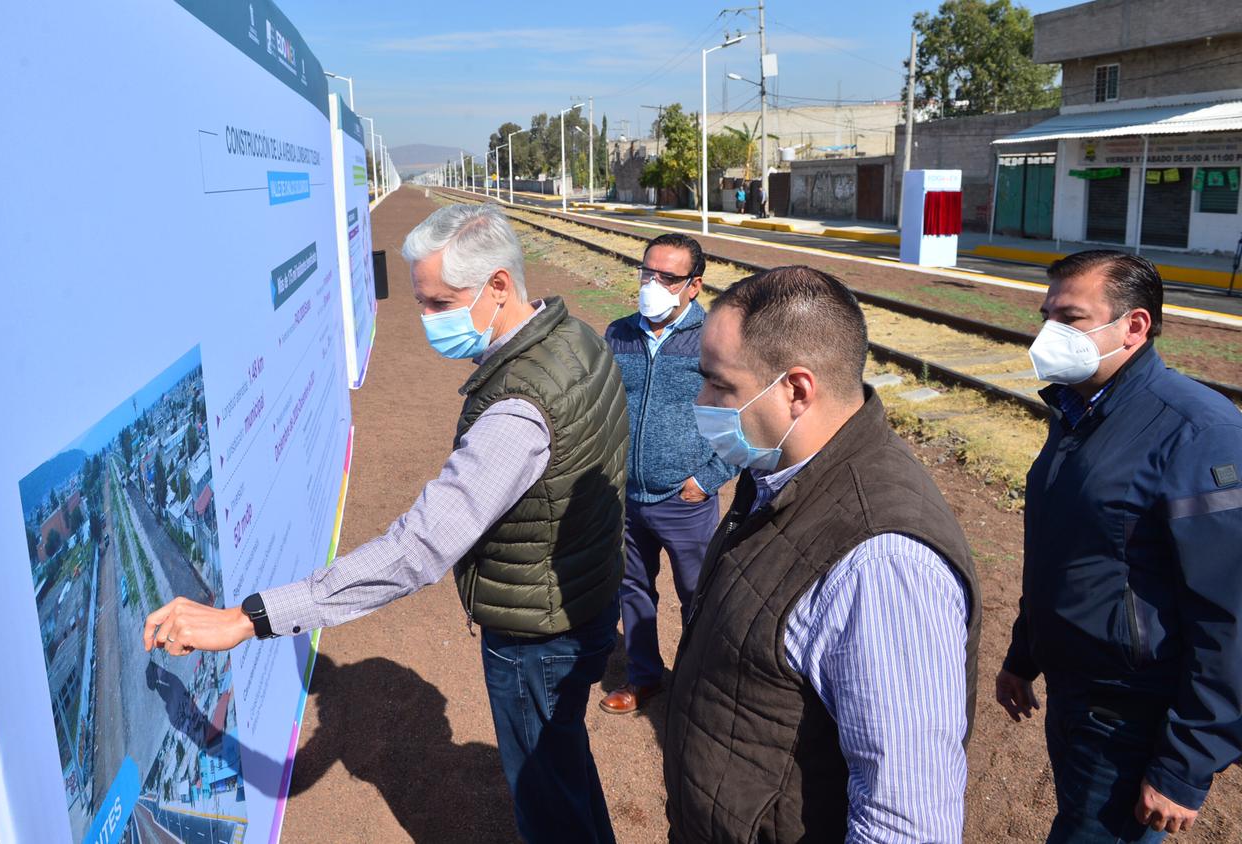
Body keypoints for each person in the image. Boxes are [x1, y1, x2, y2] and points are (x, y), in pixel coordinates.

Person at [142, 203, 630, 844]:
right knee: (565, 771)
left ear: (499, 286)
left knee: (546, 803)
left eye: (438, 302)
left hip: (536, 637)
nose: (426, 320)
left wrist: (248, 617)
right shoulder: (575, 338)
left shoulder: (518, 408)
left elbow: (418, 547)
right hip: (581, 601)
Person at [663, 265, 981, 843]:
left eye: (719, 384)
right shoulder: (782, 473)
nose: (701, 400)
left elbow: (905, 823)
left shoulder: (883, 562)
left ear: (796, 390)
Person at [996, 250, 1242, 842]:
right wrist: (1023, 654)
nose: (1050, 333)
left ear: (1134, 326)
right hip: (1075, 693)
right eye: (1046, 315)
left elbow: (1230, 612)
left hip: (1131, 714)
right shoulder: (1078, 410)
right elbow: (1069, 552)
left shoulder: (1198, 431)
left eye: (1071, 319)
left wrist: (1186, 765)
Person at [599, 233, 737, 715]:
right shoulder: (618, 334)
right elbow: (598, 406)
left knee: (699, 597)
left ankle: (704, 688)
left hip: (685, 500)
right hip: (627, 497)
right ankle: (643, 677)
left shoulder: (717, 339)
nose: (652, 284)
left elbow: (746, 417)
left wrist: (708, 478)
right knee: (632, 590)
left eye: (667, 277)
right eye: (646, 272)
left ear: (694, 285)